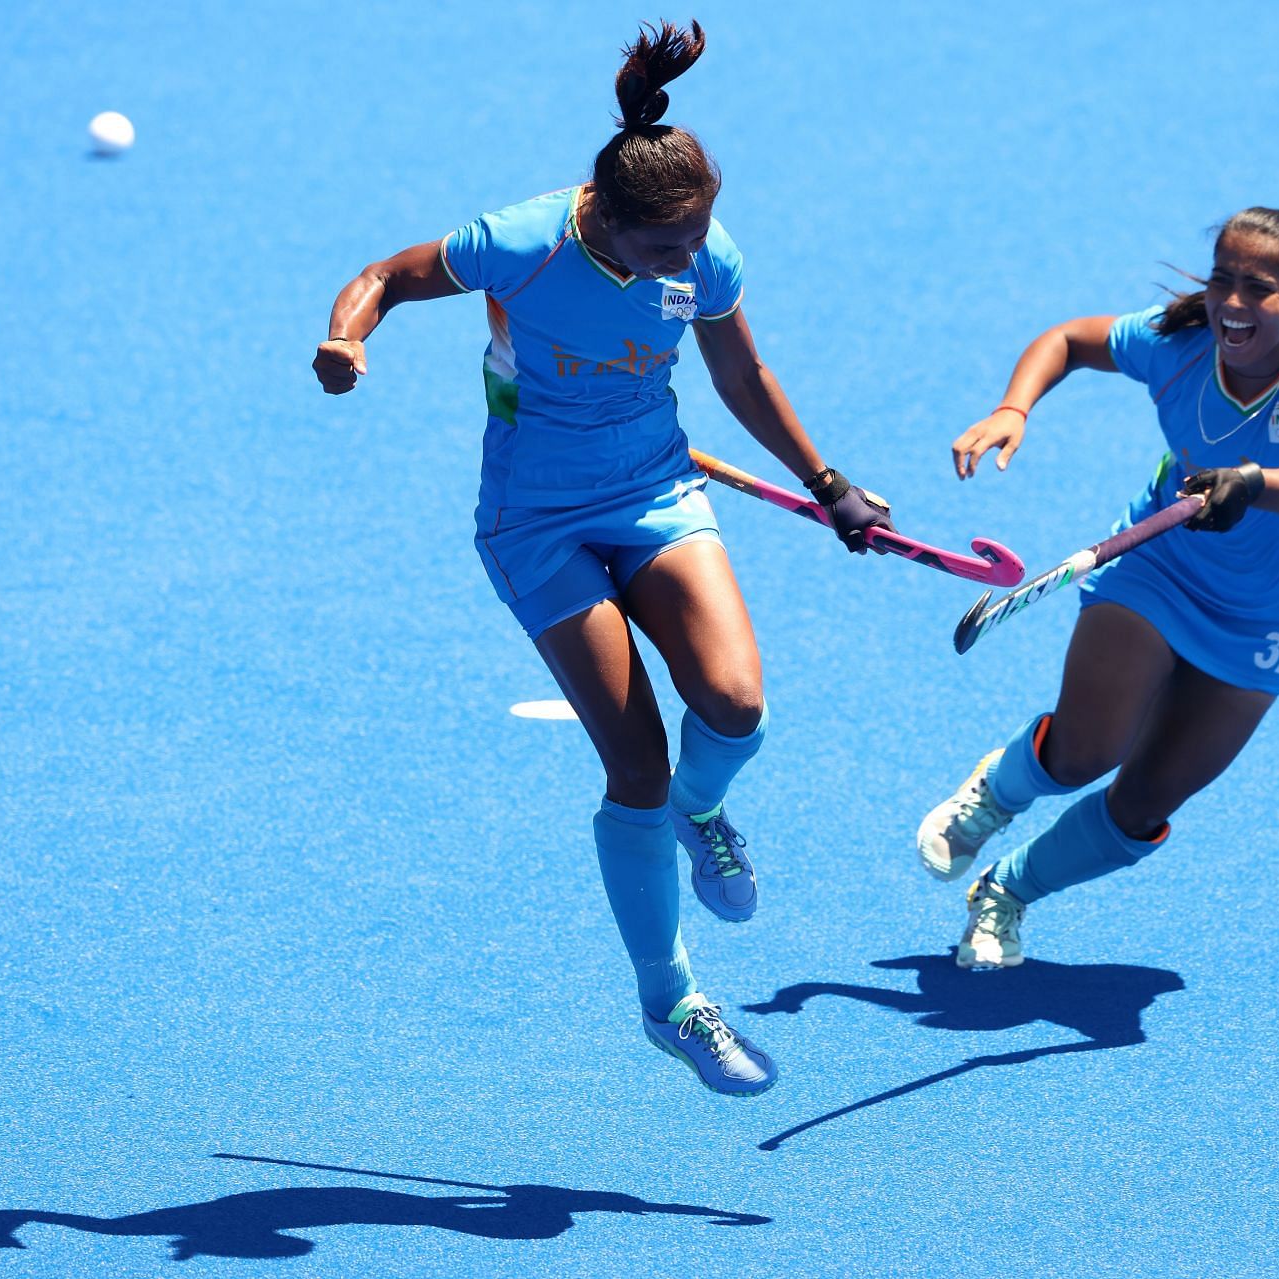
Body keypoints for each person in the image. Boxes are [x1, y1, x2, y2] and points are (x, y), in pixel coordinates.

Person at [312, 20, 892, 1092]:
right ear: (605, 222)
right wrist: (349, 339)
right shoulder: (521, 244)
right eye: (665, 248)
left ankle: (703, 814)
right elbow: (384, 276)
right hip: (536, 522)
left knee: (735, 707)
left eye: (698, 239)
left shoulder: (700, 255)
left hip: (656, 493)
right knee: (634, 761)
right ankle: (671, 1001)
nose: (691, 261)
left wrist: (828, 484)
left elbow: (744, 377)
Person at [918, 208, 1279, 968]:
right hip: (1162, 566)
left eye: (1258, 288)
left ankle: (1006, 892)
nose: (1233, 303)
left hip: (1269, 615)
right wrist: (1013, 406)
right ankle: (995, 794)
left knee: (1144, 804)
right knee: (1084, 751)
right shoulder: (1179, 345)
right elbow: (1068, 341)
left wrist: (1252, 483)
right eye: (1222, 279)